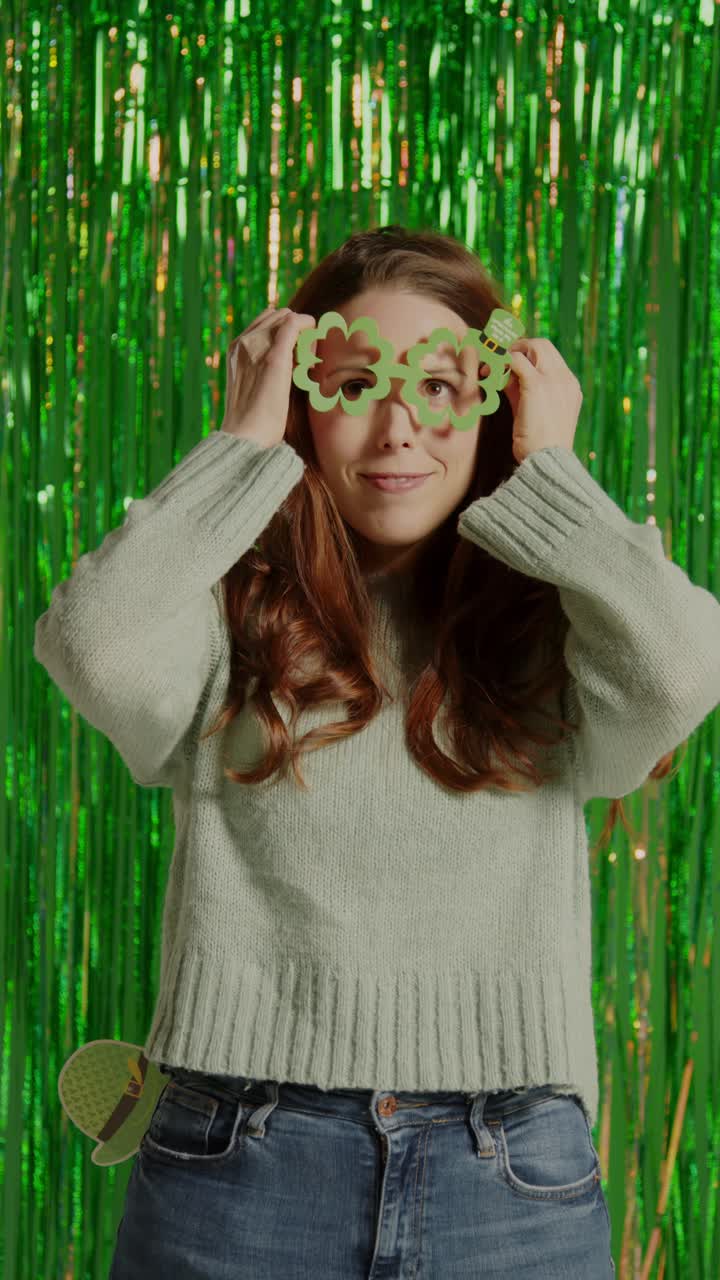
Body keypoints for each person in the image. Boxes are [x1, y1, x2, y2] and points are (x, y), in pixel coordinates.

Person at [37, 225, 719, 1277]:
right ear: (302, 401)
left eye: (440, 386)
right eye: (355, 384)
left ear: (495, 400)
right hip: (240, 1154)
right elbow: (88, 640)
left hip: (510, 1170)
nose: (399, 427)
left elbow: (682, 669)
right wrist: (243, 442)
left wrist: (552, 469)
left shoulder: (564, 620)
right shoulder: (223, 610)